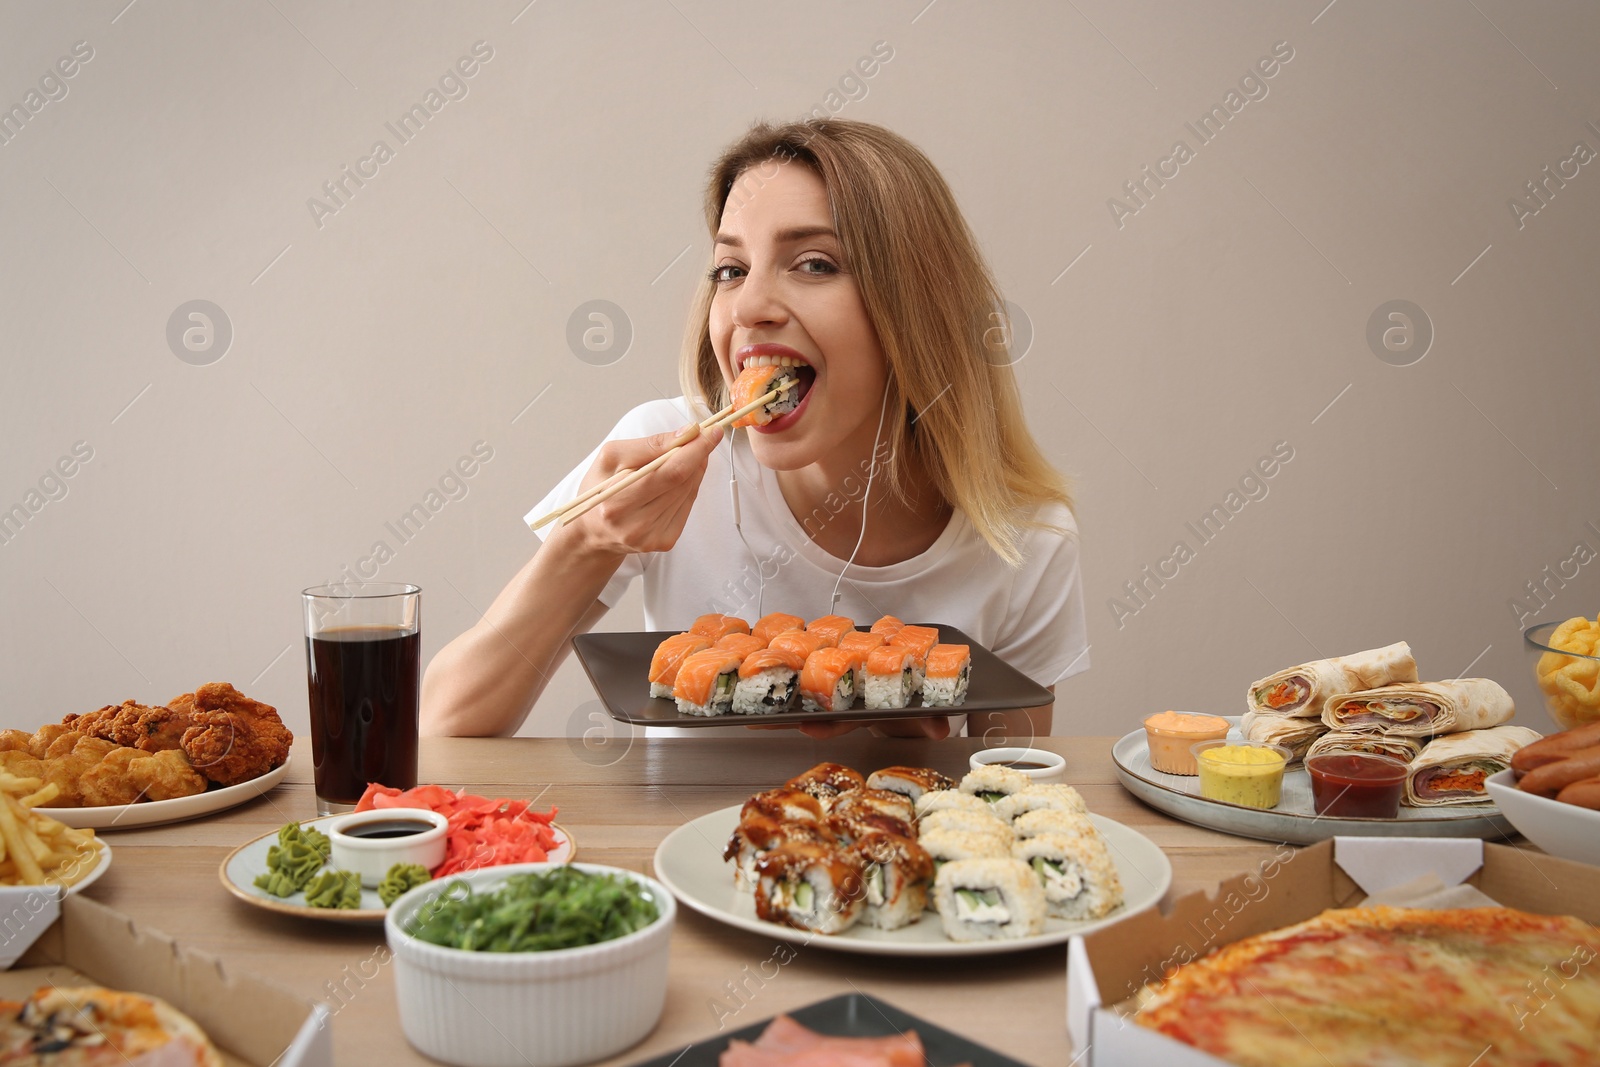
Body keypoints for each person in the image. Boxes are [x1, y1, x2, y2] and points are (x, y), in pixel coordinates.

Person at [421, 118, 1087, 740]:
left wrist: (924, 759)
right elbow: (445, 725)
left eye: (815, 264)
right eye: (731, 270)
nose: (750, 307)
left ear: (916, 306)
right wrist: (584, 543)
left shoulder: (1026, 534)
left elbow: (1014, 797)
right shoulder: (668, 451)